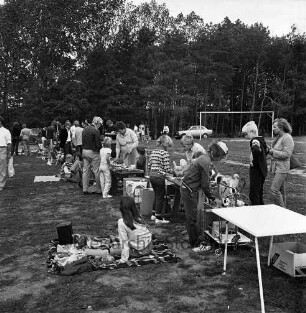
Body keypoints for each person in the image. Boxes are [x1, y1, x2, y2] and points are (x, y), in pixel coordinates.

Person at [181, 141, 228, 251]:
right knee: (191, 218)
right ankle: (195, 244)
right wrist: (213, 198)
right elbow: (205, 184)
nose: (220, 159)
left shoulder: (204, 158)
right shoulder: (205, 161)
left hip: (188, 188)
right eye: (221, 156)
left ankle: (195, 239)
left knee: (191, 217)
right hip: (189, 190)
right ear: (218, 154)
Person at [110, 196, 153, 263]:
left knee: (112, 250)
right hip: (149, 246)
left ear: (121, 208)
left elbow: (124, 241)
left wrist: (123, 260)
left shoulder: (121, 222)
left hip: (139, 250)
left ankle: (135, 253)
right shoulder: (138, 217)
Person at [268, 118, 294, 207]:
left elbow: (287, 154)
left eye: (275, 127)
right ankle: (284, 211)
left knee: (274, 190)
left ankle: (281, 210)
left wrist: (273, 152)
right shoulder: (279, 137)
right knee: (281, 191)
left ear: (281, 127)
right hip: (277, 167)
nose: (273, 129)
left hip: (282, 168)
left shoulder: (287, 138)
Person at [147, 135, 173, 223]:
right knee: (160, 197)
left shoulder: (153, 152)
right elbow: (166, 168)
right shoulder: (164, 153)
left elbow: (149, 165)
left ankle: (153, 214)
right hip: (159, 177)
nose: (168, 148)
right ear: (165, 144)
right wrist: (174, 172)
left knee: (157, 195)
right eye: (168, 145)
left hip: (152, 176)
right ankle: (158, 218)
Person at [242, 121, 269, 205]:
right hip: (262, 170)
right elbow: (267, 150)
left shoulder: (255, 140)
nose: (245, 137)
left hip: (256, 170)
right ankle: (261, 208)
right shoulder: (262, 139)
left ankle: (255, 210)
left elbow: (256, 149)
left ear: (252, 132)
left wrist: (256, 154)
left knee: (254, 194)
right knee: (259, 192)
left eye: (246, 134)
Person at [82, 116, 103, 195]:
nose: (100, 126)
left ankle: (85, 189)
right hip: (93, 152)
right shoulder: (95, 131)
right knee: (96, 171)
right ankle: (99, 189)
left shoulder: (84, 129)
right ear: (97, 123)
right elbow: (98, 144)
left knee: (85, 171)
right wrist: (101, 147)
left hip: (84, 151)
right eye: (100, 124)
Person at [0, 115, 12, 191]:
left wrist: (9, 152)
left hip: (2, 149)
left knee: (2, 168)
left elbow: (9, 143)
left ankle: (1, 184)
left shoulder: (6, 131)